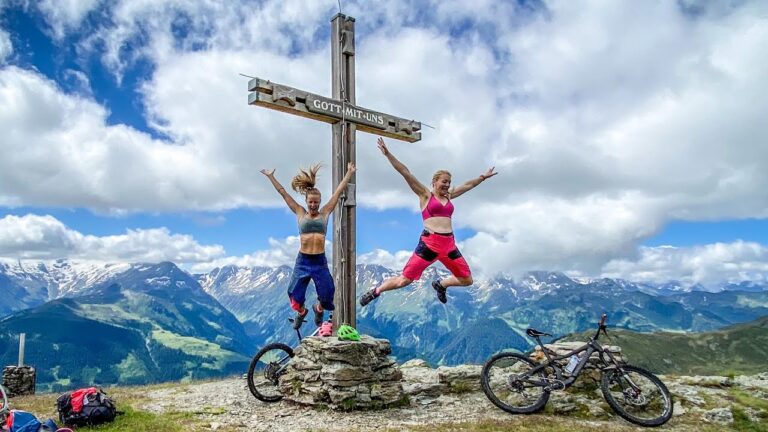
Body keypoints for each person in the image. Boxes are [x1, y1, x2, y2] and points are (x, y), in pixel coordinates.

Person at [360, 137, 497, 306]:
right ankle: (376, 291)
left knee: (467, 279)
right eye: (443, 181)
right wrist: (388, 154)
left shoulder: (449, 195)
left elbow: (468, 185)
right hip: (429, 244)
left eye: (449, 182)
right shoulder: (425, 195)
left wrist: (483, 177)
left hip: (449, 246)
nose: (447, 185)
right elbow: (405, 172)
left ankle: (441, 284)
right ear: (434, 182)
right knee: (404, 280)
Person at [261, 162, 356, 329]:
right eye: (310, 202)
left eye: (316, 202)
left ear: (319, 202)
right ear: (306, 201)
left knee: (327, 294)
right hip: (303, 260)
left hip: (319, 261)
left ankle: (318, 308)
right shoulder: (300, 213)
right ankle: (302, 312)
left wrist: (349, 173)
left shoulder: (325, 212)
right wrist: (271, 177)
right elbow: (283, 194)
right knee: (294, 295)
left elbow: (338, 192)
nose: (313, 205)